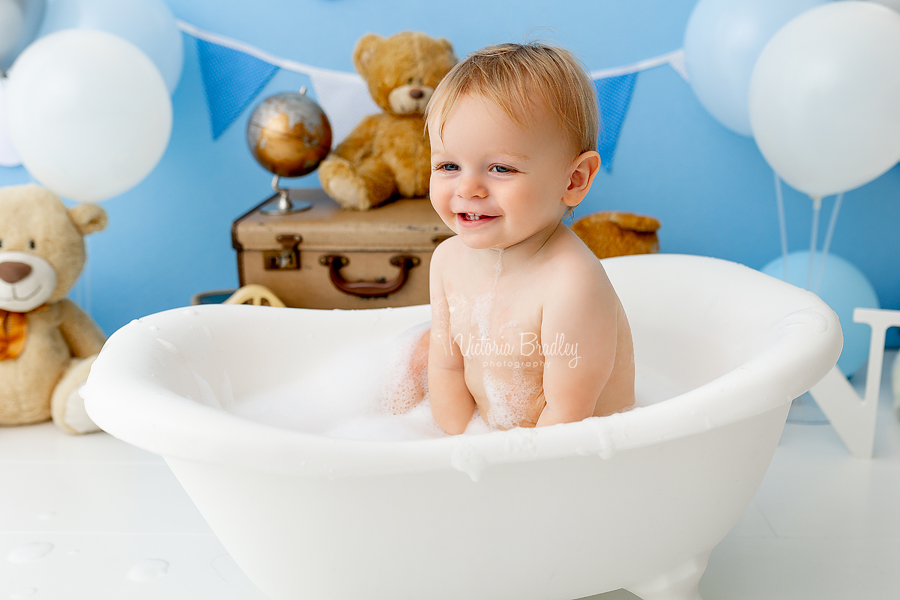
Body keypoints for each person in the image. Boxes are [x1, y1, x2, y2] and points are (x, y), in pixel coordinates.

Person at [390, 42, 635, 435]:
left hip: (579, 462)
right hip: (495, 449)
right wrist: (452, 448)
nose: (468, 187)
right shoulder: (448, 260)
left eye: (501, 168)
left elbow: (567, 422)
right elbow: (448, 366)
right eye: (448, 165)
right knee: (418, 358)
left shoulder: (572, 284)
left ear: (574, 180)